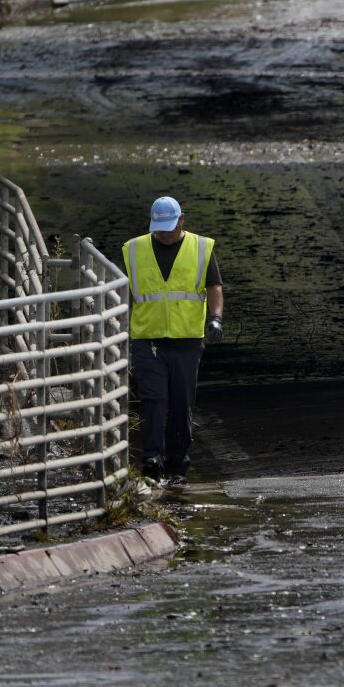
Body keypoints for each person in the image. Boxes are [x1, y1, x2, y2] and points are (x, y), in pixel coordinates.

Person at [122, 196, 224, 486]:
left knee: (181, 404)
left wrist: (215, 318)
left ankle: (177, 464)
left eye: (169, 227)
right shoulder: (134, 249)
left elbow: (214, 285)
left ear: (182, 220)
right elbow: (125, 292)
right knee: (154, 399)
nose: (164, 234)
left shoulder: (201, 248)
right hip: (147, 338)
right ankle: (152, 458)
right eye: (159, 228)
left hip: (187, 340)